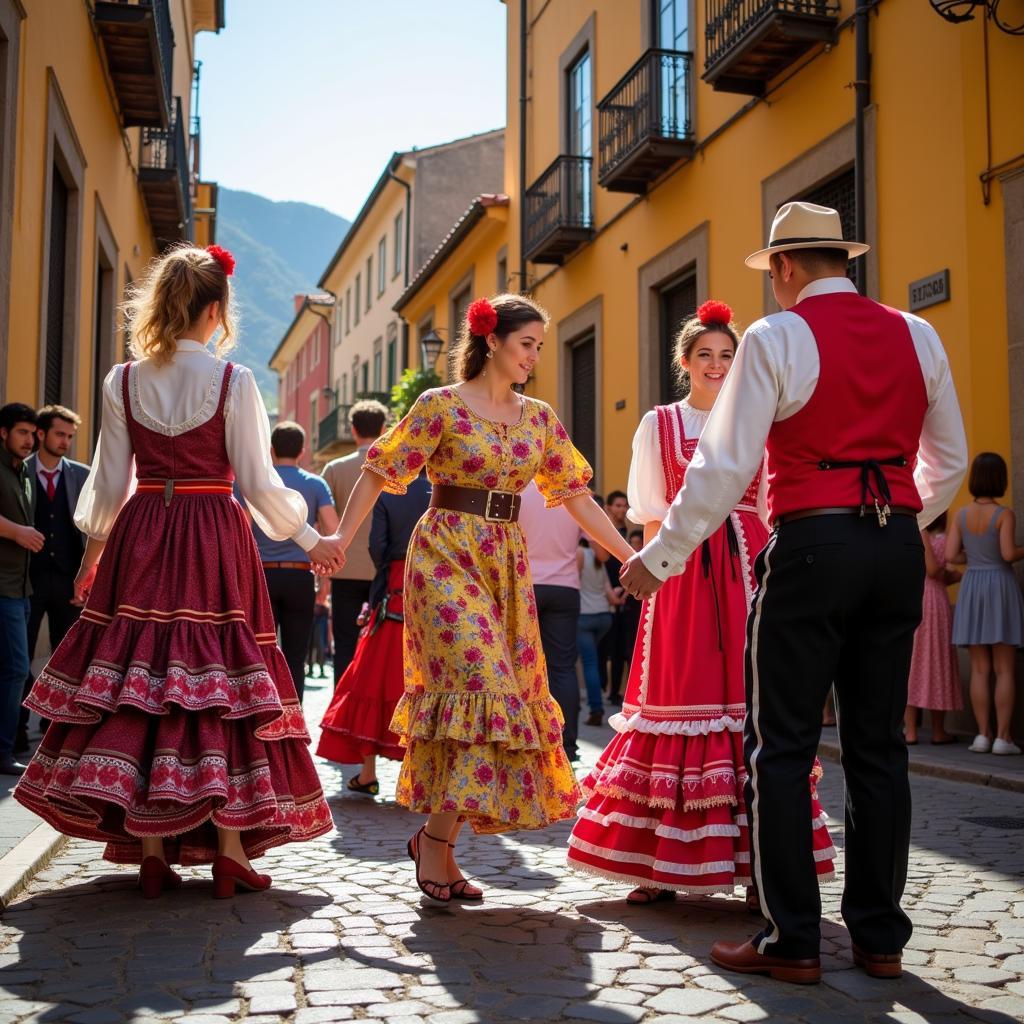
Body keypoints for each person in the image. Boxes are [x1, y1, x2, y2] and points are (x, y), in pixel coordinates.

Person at [620, 203, 967, 983]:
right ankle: (880, 936)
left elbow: (723, 466)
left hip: (813, 543)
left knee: (782, 744)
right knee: (880, 744)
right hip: (893, 545)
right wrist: (900, 514)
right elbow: (949, 460)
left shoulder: (777, 337)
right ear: (842, 259)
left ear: (782, 269)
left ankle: (792, 939)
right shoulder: (920, 333)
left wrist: (661, 558)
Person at [14, 244, 341, 897]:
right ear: (217, 309)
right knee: (218, 684)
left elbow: (108, 484)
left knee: (144, 680)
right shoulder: (234, 381)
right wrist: (309, 539)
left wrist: (94, 558)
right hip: (215, 534)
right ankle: (228, 850)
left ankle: (155, 849)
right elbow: (255, 481)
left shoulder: (123, 380)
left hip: (140, 536)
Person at [329, 293, 636, 904]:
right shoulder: (439, 405)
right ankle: (437, 845)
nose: (534, 358)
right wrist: (341, 537)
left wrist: (628, 554)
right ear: (492, 341)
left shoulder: (540, 417)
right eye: (527, 345)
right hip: (444, 555)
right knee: (480, 685)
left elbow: (574, 496)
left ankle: (434, 841)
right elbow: (379, 468)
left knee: (504, 698)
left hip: (505, 561)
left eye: (541, 348)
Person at [568, 301, 835, 905]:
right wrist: (658, 564)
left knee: (754, 701)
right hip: (682, 575)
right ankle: (659, 861)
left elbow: (771, 503)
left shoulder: (760, 423)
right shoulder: (659, 424)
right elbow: (651, 510)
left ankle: (758, 862)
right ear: (684, 362)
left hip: (751, 568)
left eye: (726, 356)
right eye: (705, 355)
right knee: (676, 698)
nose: (716, 365)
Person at [318, 468, 432, 793]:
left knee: (371, 676)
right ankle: (418, 774)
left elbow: (377, 546)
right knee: (424, 681)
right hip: (435, 589)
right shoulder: (443, 490)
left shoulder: (390, 492)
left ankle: (368, 773)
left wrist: (381, 583)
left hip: (395, 589)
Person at [238, 420, 338, 701]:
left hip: (262, 578)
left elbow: (242, 529)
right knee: (296, 655)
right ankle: (294, 718)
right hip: (300, 577)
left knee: (260, 651)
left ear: (271, 450)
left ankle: (261, 711)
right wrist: (326, 582)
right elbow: (331, 528)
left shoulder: (255, 485)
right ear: (302, 451)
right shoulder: (315, 484)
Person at [17, 405, 91, 753]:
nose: (66, 442)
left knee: (66, 659)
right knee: (20, 658)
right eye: (60, 434)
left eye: (70, 437)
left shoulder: (82, 475)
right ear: (41, 434)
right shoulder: (21, 472)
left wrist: (87, 577)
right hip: (26, 582)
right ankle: (17, 730)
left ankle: (54, 729)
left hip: (68, 581)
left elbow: (93, 530)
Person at [519, 480, 605, 762]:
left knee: (520, 668)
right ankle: (567, 745)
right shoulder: (576, 491)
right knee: (563, 669)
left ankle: (524, 741)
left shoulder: (518, 486)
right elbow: (601, 553)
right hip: (565, 589)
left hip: (525, 585)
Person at [947, 452, 1024, 755]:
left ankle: (981, 735)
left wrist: (976, 558)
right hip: (999, 587)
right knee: (1004, 668)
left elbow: (952, 555)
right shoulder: (1004, 514)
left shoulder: (962, 515)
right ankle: (1003, 738)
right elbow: (1007, 554)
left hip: (972, 586)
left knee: (980, 669)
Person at [322, 400, 389, 682]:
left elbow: (324, 521)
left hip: (344, 566)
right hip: (382, 568)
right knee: (380, 643)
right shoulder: (394, 469)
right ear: (385, 429)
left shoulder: (334, 469)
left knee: (345, 641)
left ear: (352, 429)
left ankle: (341, 696)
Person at [0, 403, 43, 775]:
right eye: (22, 433)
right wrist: (17, 532)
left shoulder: (23, 472)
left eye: (32, 434)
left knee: (15, 668)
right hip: (3, 585)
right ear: (3, 432)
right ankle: (2, 750)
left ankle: (8, 743)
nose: (29, 440)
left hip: (21, 586)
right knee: (15, 667)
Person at [904, 511, 962, 745]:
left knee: (915, 663)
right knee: (938, 662)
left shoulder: (917, 530)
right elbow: (933, 570)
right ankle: (938, 731)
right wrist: (952, 574)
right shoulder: (932, 534)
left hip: (920, 596)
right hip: (934, 600)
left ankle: (911, 731)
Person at [577, 532, 617, 728]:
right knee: (593, 659)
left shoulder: (579, 553)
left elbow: (573, 584)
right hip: (603, 616)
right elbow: (610, 595)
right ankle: (595, 703)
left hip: (584, 617)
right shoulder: (599, 560)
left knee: (588, 663)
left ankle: (596, 709)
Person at [601, 490, 635, 706]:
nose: (622, 509)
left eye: (625, 506)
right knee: (607, 648)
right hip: (604, 597)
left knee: (624, 647)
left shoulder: (629, 533)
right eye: (618, 505)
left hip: (626, 596)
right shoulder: (603, 531)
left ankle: (618, 693)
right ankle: (609, 689)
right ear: (609, 508)